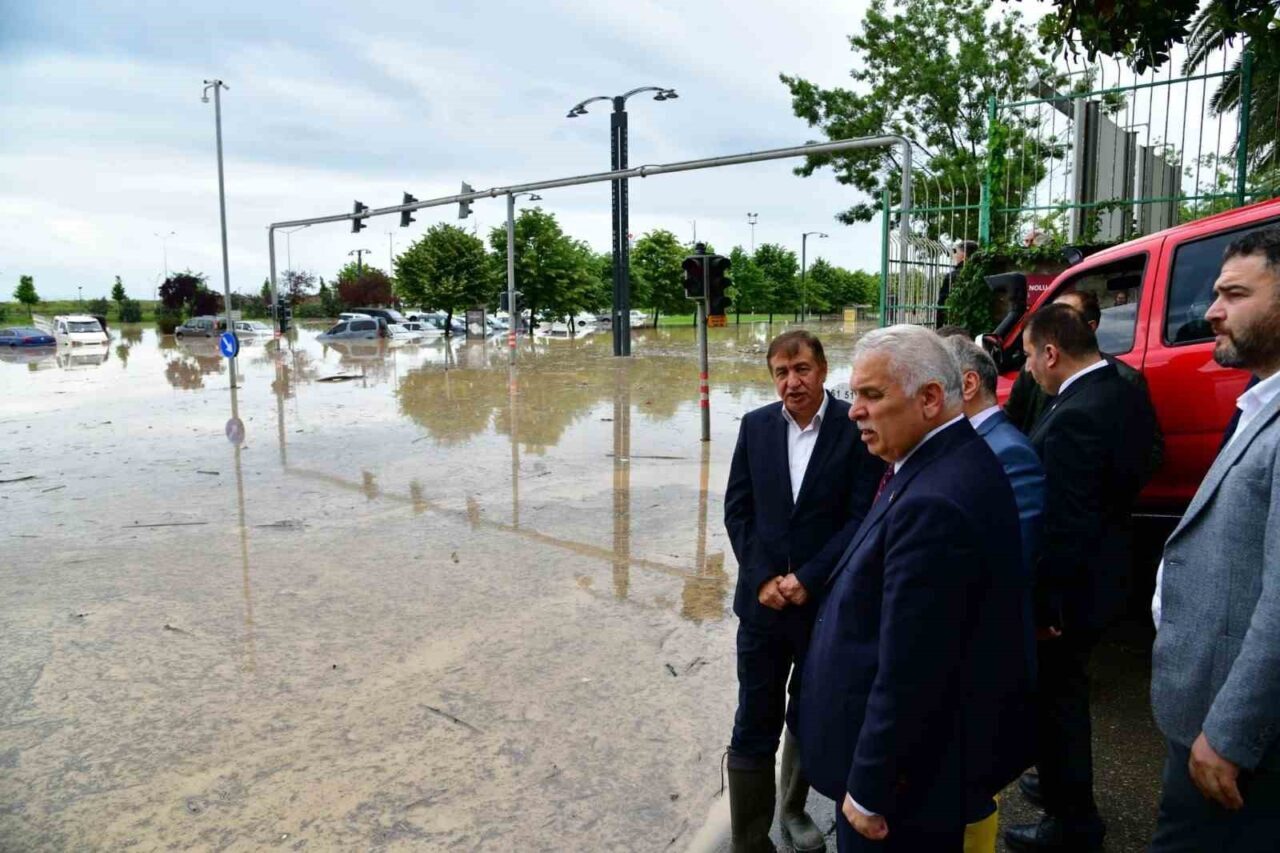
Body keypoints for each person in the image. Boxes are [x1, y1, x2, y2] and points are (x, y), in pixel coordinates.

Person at [798, 325, 1035, 852]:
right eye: (853, 394)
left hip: (900, 793)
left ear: (930, 399)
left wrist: (869, 786)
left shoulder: (936, 500)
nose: (855, 410)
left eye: (872, 395)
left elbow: (914, 666)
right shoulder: (940, 463)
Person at [724, 330, 885, 853]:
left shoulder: (852, 426)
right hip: (762, 607)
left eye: (802, 370)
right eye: (781, 372)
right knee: (753, 720)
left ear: (822, 369)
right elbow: (738, 511)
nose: (792, 383)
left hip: (822, 607)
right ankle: (750, 839)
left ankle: (793, 810)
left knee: (809, 713)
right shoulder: (754, 428)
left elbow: (861, 516)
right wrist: (765, 578)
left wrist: (808, 578)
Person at [1004, 304, 1156, 852]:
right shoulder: (1122, 387)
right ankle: (1061, 793)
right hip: (1112, 568)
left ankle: (1071, 825)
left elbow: (1063, 529)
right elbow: (1146, 461)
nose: (1027, 372)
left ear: (1051, 352)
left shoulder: (1073, 415)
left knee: (1058, 705)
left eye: (1027, 358)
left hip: (1074, 595)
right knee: (1066, 700)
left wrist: (1047, 612)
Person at [1149, 227, 1280, 851]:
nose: (1210, 311)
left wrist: (1230, 732)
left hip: (1238, 739)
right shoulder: (1259, 403)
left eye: (1234, 293)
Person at [1003, 290, 1164, 480]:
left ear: (1088, 327)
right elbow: (1011, 419)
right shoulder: (1033, 370)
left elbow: (1146, 451)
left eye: (1064, 317)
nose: (1051, 321)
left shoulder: (1125, 381)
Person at [937, 241, 978, 329]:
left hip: (955, 323)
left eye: (956, 252)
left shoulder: (952, 276)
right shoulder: (980, 273)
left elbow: (942, 303)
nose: (954, 255)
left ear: (963, 256)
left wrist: (939, 326)